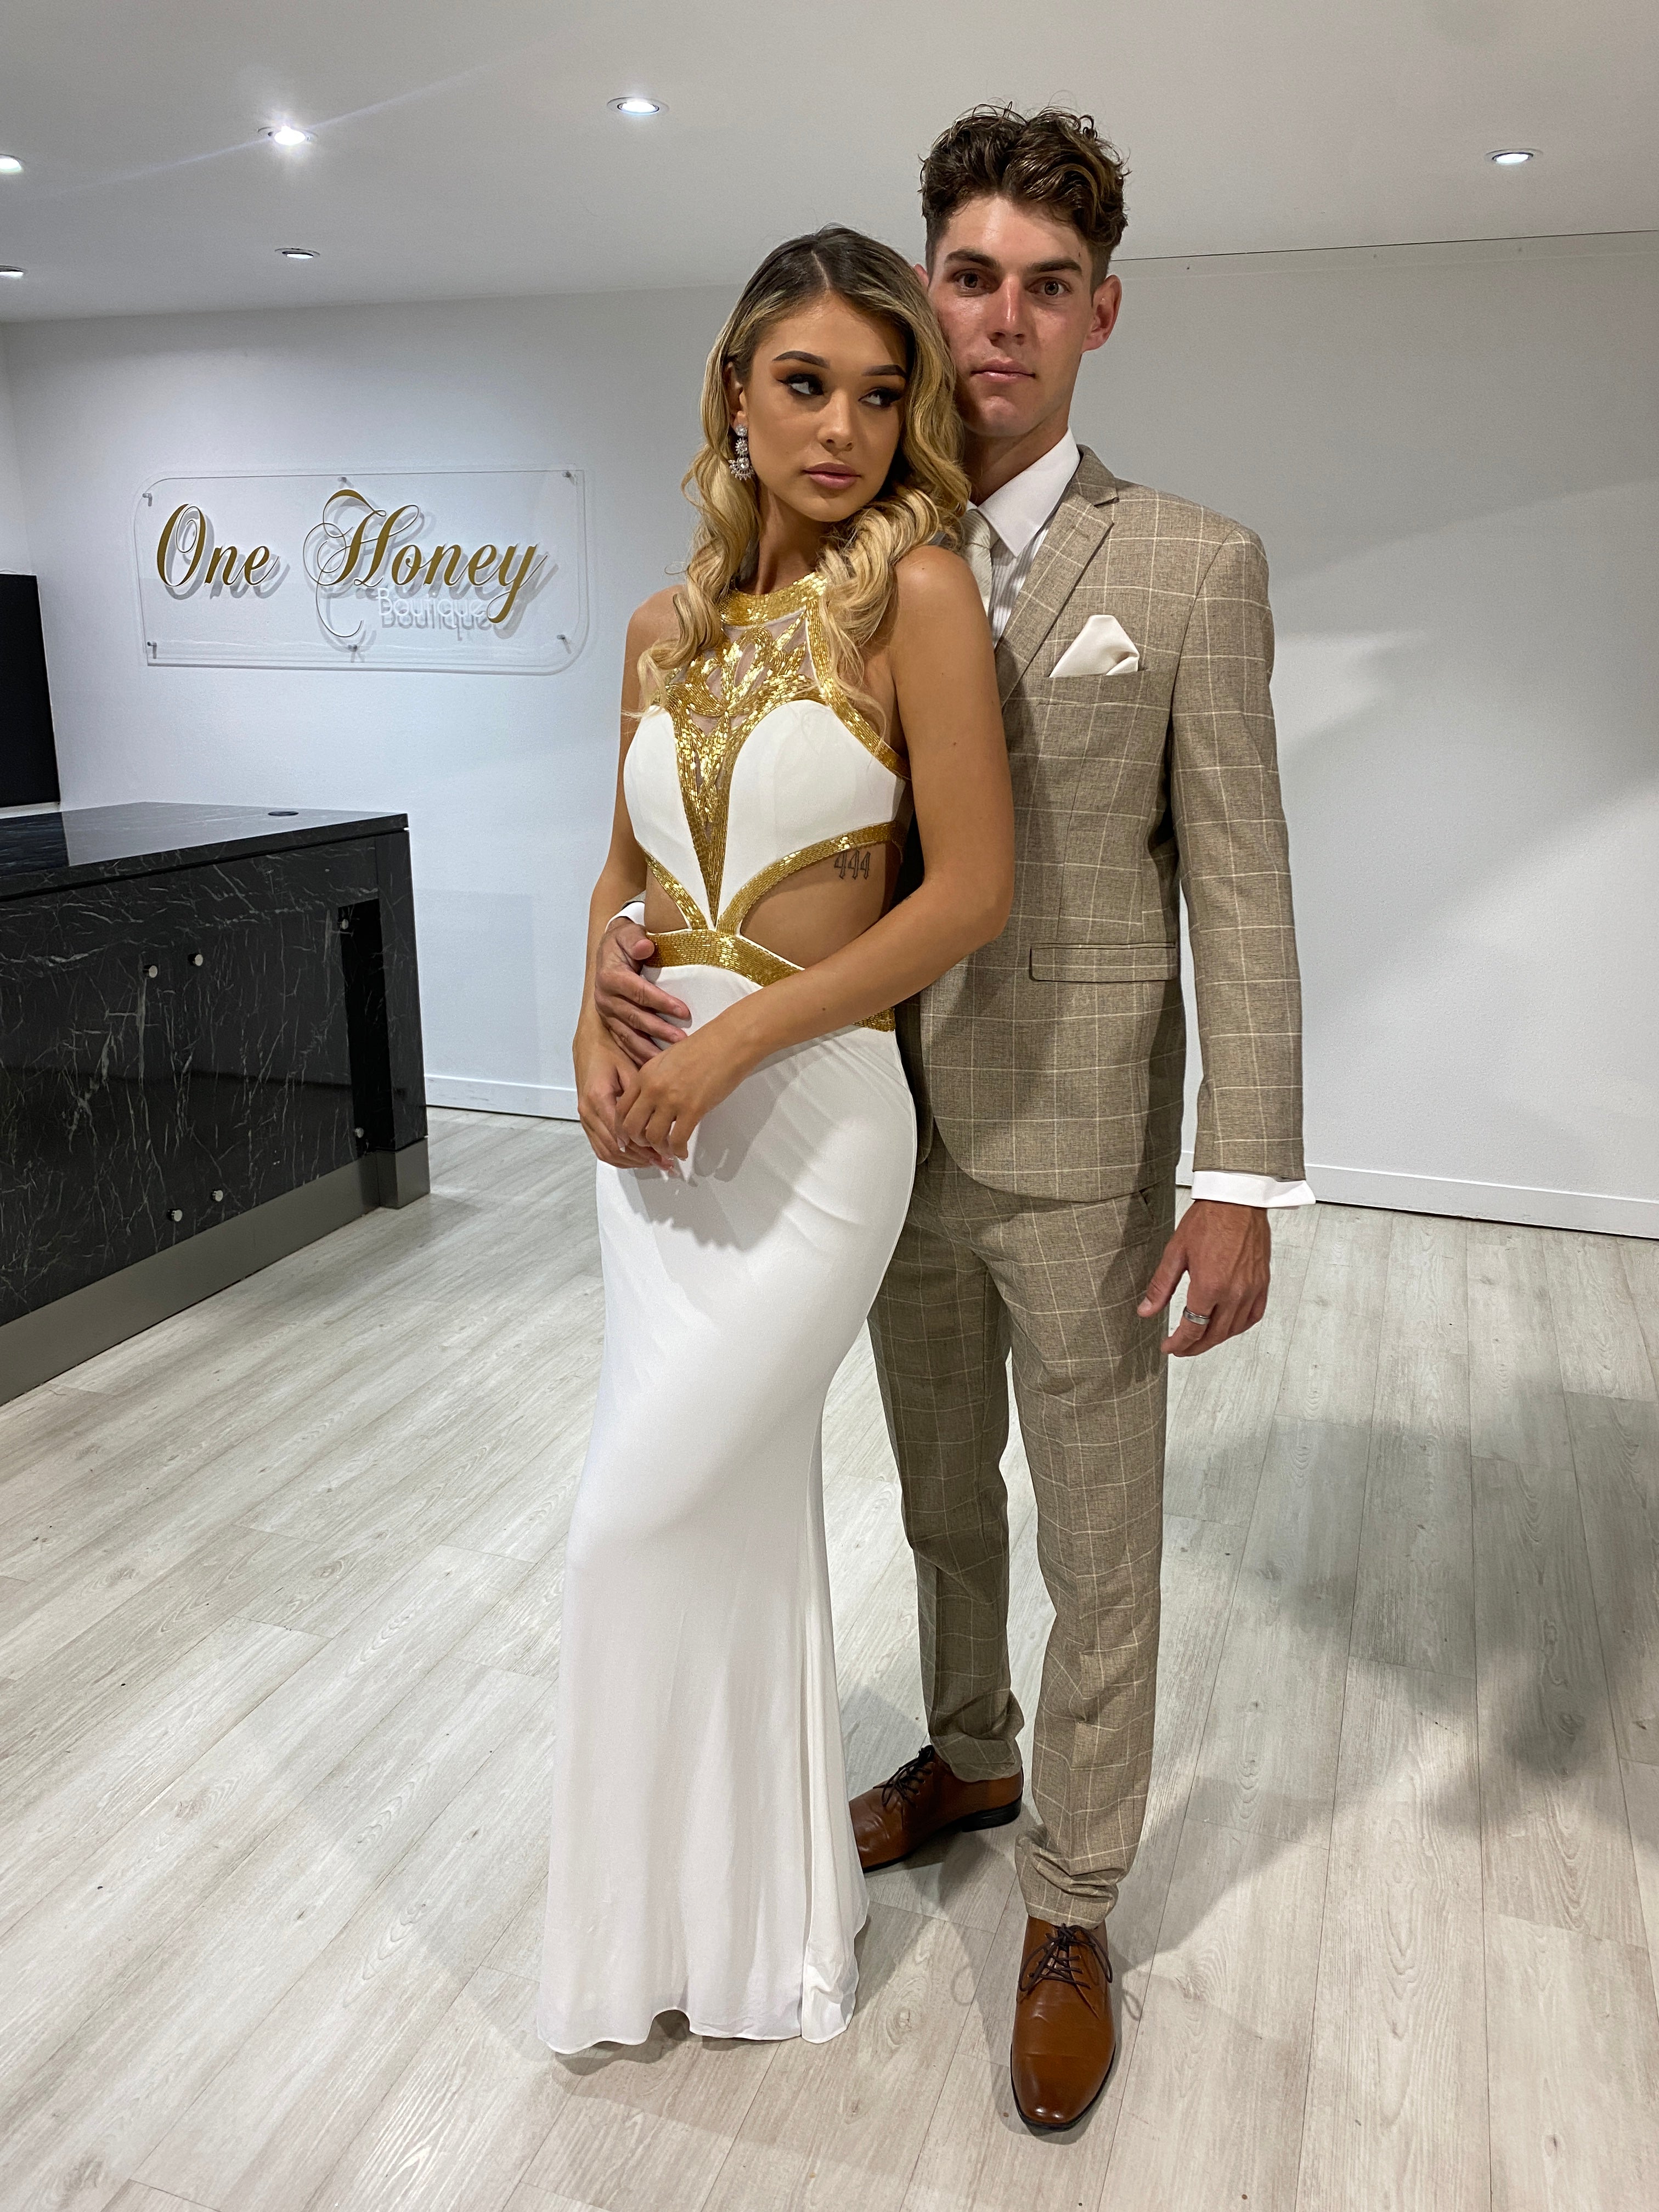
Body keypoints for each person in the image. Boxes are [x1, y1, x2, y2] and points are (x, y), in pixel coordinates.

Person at [590, 108, 1313, 2128]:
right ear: (930, 285)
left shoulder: (1185, 568)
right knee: (933, 1500)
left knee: (1105, 1539)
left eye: (1045, 286)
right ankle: (973, 1750)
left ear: (1102, 313)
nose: (1002, 321)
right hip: (866, 1136)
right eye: (969, 278)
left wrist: (1237, 1174)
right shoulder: (828, 561)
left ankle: (1073, 1897)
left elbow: (1241, 887)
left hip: (1083, 1149)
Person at [539, 227, 1013, 2053]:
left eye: (884, 395)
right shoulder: (667, 625)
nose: (846, 430)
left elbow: (967, 891)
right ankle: (730, 1943)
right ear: (733, 389)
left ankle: (697, 1926)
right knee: (720, 1521)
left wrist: (734, 1036)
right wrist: (593, 1015)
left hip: (811, 1125)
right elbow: (620, 873)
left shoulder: (924, 597)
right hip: (656, 1149)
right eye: (807, 385)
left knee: (624, 1524)